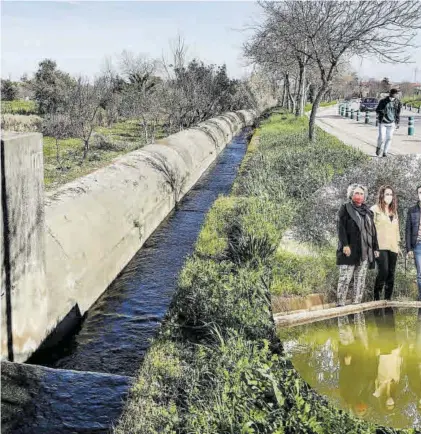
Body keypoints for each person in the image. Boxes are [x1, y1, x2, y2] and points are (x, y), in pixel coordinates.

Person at [336, 184, 379, 306]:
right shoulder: (345, 208)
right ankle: (340, 305)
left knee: (360, 280)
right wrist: (345, 245)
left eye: (361, 194)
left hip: (365, 251)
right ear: (351, 194)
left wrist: (375, 247)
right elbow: (340, 228)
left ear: (364, 196)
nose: (359, 196)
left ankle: (357, 305)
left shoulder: (368, 212)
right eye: (356, 193)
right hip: (349, 249)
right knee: (345, 279)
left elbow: (373, 231)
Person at [370, 185, 401, 301]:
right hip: (380, 246)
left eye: (391, 194)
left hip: (393, 247)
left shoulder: (394, 211)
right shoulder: (374, 209)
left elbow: (396, 230)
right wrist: (373, 248)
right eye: (387, 194)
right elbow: (370, 230)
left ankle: (388, 300)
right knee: (384, 271)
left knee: (391, 274)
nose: (389, 196)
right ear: (382, 195)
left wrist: (398, 246)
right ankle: (376, 298)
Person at [375, 89, 402, 157]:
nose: (394, 95)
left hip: (391, 123)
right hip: (383, 122)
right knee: (382, 137)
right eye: (393, 93)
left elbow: (398, 114)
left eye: (396, 94)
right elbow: (377, 110)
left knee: (389, 138)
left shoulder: (398, 102)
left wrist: (397, 122)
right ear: (390, 93)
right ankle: (378, 147)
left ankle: (385, 152)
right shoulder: (383, 101)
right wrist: (383, 112)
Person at [406, 184, 421, 301]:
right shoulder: (412, 210)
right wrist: (409, 249)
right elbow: (408, 230)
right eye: (420, 192)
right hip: (417, 246)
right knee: (420, 274)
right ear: (418, 194)